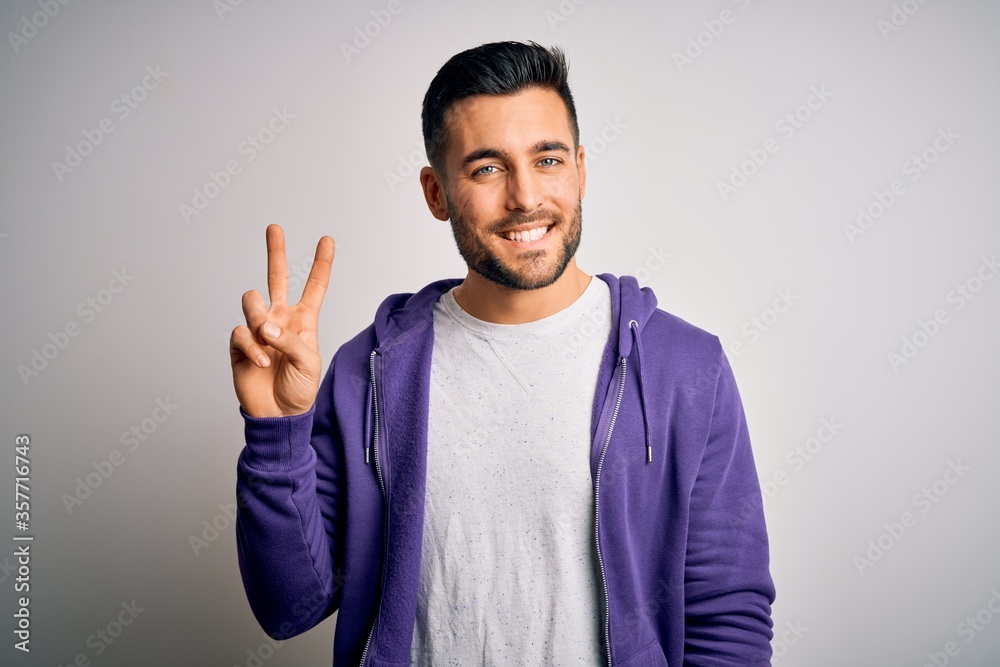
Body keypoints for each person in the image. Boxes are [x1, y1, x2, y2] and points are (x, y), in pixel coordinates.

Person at [229, 41, 776, 667]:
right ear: (436, 193)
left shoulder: (686, 368)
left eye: (548, 159)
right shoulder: (369, 370)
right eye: (487, 168)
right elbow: (288, 607)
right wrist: (276, 432)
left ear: (580, 170)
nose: (525, 196)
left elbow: (726, 618)